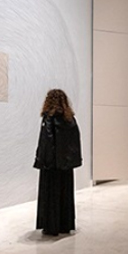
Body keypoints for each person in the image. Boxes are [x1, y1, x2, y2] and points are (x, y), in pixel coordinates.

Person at [34, 89, 82, 236]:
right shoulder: (70, 119)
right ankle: (65, 225)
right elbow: (75, 142)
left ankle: (51, 226)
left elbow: (46, 141)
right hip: (66, 166)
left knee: (51, 195)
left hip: (52, 165)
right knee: (65, 194)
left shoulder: (49, 118)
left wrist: (41, 161)